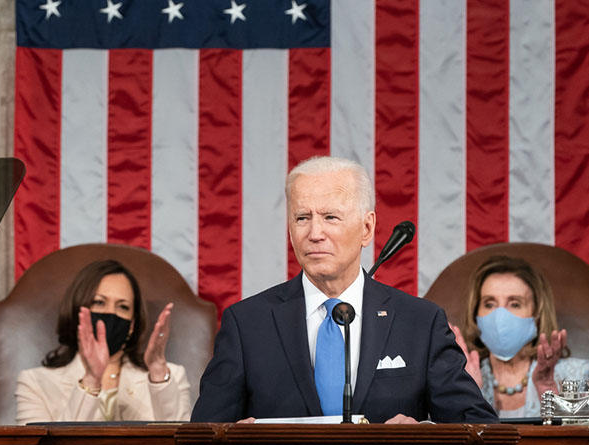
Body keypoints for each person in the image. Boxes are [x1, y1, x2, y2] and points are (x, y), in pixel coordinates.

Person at [192, 156, 497, 423]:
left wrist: (422, 433)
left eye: (330, 217)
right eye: (302, 218)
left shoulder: (420, 322)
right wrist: (234, 439)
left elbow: (477, 427)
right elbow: (203, 437)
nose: (314, 233)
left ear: (366, 228)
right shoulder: (247, 324)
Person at [15, 259, 192, 423]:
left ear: (131, 324)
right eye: (99, 303)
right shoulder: (35, 383)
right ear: (78, 311)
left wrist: (158, 373)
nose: (110, 314)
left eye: (123, 306)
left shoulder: (170, 377)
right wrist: (91, 380)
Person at [450, 256, 589, 418]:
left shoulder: (580, 375)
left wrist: (550, 396)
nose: (500, 316)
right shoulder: (460, 379)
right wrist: (469, 393)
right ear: (475, 314)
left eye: (515, 304)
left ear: (537, 314)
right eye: (489, 304)